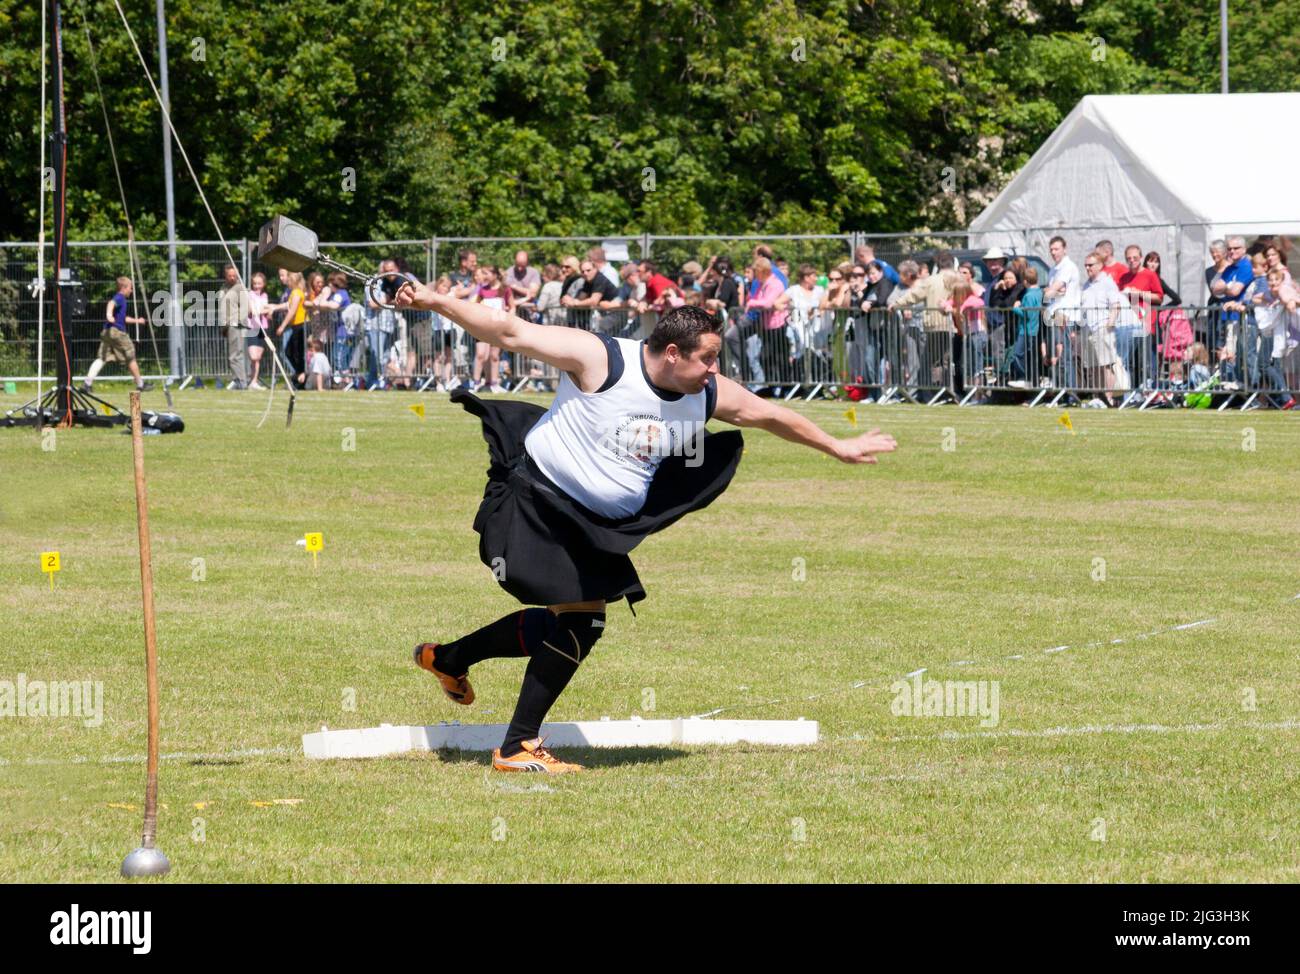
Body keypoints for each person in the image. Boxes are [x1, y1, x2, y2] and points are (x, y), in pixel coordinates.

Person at [391, 279, 898, 773]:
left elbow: (766, 414)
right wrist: (435, 299)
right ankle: (515, 743)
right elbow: (509, 330)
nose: (714, 370)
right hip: (533, 505)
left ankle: (450, 660)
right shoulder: (602, 359)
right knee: (580, 619)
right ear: (673, 352)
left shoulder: (704, 392)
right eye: (707, 358)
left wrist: (837, 445)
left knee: (577, 621)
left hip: (589, 525)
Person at [82, 275, 151, 394]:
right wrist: (109, 314)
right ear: (124, 287)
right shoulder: (119, 297)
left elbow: (123, 318)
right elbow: (110, 303)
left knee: (102, 358)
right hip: (117, 332)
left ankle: (87, 384)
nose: (131, 290)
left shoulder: (122, 300)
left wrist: (137, 321)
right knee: (131, 356)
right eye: (130, 288)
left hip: (107, 332)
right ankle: (141, 384)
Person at [1079, 250, 1121, 406]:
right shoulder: (1086, 284)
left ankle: (1109, 397)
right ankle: (1099, 397)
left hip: (1102, 328)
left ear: (1100, 265)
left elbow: (1116, 306)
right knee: (1093, 366)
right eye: (1086, 265)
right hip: (1088, 329)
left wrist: (1109, 325)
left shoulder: (1107, 282)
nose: (1087, 268)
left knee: (1106, 365)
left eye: (1090, 265)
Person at [1042, 236, 1080, 394]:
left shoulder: (1067, 267)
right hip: (1054, 315)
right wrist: (1051, 291)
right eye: (1051, 249)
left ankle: (1071, 394)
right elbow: (1049, 293)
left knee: (1065, 357)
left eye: (1056, 249)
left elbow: (1049, 292)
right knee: (1057, 358)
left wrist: (1051, 291)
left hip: (1065, 315)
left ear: (1065, 249)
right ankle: (1063, 393)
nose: (1053, 252)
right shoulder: (1054, 269)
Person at [218, 264, 249, 390]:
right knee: (234, 355)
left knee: (236, 355)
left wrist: (236, 322)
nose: (232, 278)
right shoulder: (224, 288)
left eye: (234, 275)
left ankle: (241, 381)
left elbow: (245, 307)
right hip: (228, 326)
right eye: (229, 275)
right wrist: (223, 327)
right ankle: (238, 380)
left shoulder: (240, 288)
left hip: (236, 325)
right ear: (225, 276)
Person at [245, 271, 271, 390]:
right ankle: (250, 378)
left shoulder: (264, 296)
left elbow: (266, 309)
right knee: (253, 356)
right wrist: (252, 310)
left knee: (258, 357)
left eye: (259, 284)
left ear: (263, 284)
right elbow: (249, 310)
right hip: (252, 328)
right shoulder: (249, 294)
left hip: (262, 328)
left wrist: (263, 311)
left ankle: (254, 381)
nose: (256, 286)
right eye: (255, 283)